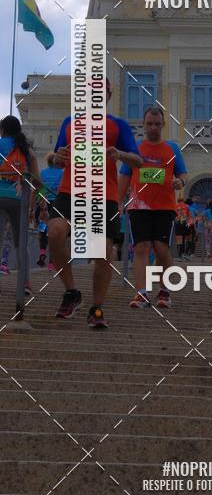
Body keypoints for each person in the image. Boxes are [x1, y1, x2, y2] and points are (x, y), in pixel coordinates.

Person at [47, 79, 142, 327]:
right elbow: (56, 157)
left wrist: (119, 154)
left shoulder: (117, 125)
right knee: (55, 232)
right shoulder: (70, 122)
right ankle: (71, 292)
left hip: (103, 195)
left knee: (103, 253)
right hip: (70, 191)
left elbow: (138, 161)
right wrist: (56, 157)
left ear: (108, 95)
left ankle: (96, 308)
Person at [118, 106, 187, 309]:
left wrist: (180, 183)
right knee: (141, 247)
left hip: (165, 206)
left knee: (161, 248)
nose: (153, 127)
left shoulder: (172, 149)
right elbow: (125, 176)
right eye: (149, 124)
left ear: (163, 125)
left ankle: (164, 291)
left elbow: (182, 174)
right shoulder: (135, 148)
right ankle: (141, 293)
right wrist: (119, 202)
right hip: (139, 206)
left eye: (157, 124)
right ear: (143, 124)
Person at [0, 115, 41, 293]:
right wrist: (35, 203)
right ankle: (25, 283)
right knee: (21, 243)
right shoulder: (25, 148)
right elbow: (37, 181)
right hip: (19, 199)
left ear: (2, 130)